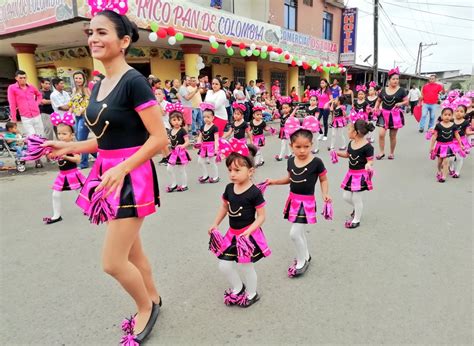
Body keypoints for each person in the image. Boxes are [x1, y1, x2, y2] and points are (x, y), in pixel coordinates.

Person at [46, 8, 167, 344]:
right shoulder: (101, 82)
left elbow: (159, 139)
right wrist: (69, 147)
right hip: (108, 173)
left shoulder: (134, 82)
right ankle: (154, 296)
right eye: (91, 32)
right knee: (133, 254)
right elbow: (106, 140)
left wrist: (122, 168)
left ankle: (145, 308)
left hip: (131, 176)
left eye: (102, 32)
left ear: (124, 41)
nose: (94, 39)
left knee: (113, 263)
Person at [208, 144, 269, 307]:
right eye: (230, 170)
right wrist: (215, 224)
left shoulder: (255, 192)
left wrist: (248, 232)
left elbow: (262, 216)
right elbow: (224, 207)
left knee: (246, 266)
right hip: (231, 234)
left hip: (247, 236)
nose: (232, 174)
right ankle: (238, 287)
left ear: (250, 171)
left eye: (237, 170)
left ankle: (252, 293)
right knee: (224, 265)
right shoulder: (229, 188)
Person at [267, 128, 331, 277]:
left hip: (306, 203)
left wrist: (325, 193)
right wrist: (274, 181)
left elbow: (323, 179)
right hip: (293, 200)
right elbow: (289, 178)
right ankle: (306, 255)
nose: (302, 150)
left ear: (311, 145)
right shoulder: (290, 160)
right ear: (291, 146)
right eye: (298, 147)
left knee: (294, 234)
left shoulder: (317, 162)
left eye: (306, 147)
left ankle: (301, 261)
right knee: (299, 232)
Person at [43, 114, 86, 224]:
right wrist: (47, 153)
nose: (61, 136)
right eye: (59, 134)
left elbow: (78, 160)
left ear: (72, 135)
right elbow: (52, 156)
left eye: (64, 134)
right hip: (62, 175)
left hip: (73, 174)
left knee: (80, 192)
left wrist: (65, 155)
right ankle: (56, 216)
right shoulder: (57, 145)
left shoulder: (73, 146)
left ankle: (87, 208)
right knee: (55, 194)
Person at [336, 120, 375, 229]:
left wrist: (368, 164)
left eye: (349, 130)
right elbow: (348, 155)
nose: (347, 132)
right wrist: (338, 153)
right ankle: (357, 208)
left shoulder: (368, 147)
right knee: (346, 196)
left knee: (357, 198)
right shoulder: (351, 143)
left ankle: (356, 220)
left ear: (356, 132)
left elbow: (370, 160)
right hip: (351, 174)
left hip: (361, 175)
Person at [8, 70, 45, 168]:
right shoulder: (12, 88)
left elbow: (39, 95)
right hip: (25, 116)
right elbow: (12, 104)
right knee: (32, 138)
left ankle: (42, 157)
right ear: (16, 78)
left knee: (40, 137)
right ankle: (37, 159)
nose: (23, 79)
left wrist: (37, 103)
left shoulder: (31, 86)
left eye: (24, 77)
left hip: (36, 115)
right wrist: (14, 119)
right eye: (21, 78)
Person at [374, 67, 408, 160]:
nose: (396, 81)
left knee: (392, 136)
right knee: (381, 134)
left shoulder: (401, 90)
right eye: (393, 79)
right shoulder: (383, 90)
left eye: (397, 79)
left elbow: (407, 102)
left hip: (395, 115)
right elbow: (379, 100)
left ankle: (392, 153)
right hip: (384, 114)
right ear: (389, 80)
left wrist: (400, 103)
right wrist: (376, 107)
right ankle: (381, 152)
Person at [430, 106, 463, 183]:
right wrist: (431, 146)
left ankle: (444, 176)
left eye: (449, 115)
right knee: (439, 162)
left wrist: (460, 144)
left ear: (452, 116)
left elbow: (457, 135)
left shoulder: (453, 125)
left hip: (449, 146)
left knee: (446, 162)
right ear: (441, 116)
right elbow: (435, 136)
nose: (447, 116)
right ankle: (439, 171)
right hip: (440, 146)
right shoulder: (438, 125)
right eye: (445, 115)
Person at [69, 71, 93, 169]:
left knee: (81, 140)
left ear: (84, 79)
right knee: (80, 139)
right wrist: (70, 111)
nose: (78, 80)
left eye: (80, 78)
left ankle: (84, 163)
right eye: (76, 78)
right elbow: (72, 102)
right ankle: (96, 155)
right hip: (77, 116)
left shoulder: (87, 90)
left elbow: (91, 102)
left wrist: (82, 110)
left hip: (85, 116)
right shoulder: (74, 90)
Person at [165, 106, 191, 192]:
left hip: (181, 153)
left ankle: (184, 185)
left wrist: (183, 146)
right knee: (169, 168)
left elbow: (187, 141)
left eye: (179, 120)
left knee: (181, 170)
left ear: (182, 121)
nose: (176, 122)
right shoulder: (170, 131)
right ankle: (174, 184)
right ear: (170, 121)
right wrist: (167, 142)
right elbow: (170, 140)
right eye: (174, 120)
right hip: (173, 153)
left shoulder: (182, 131)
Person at [196, 103, 220, 183]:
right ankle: (205, 175)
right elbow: (200, 136)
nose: (206, 119)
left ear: (213, 117)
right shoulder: (203, 126)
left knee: (212, 162)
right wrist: (198, 142)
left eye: (208, 117)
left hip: (211, 146)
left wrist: (216, 148)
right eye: (204, 117)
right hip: (203, 146)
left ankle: (216, 176)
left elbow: (216, 139)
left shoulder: (214, 127)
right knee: (200, 161)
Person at [450, 102, 472, 178]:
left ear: (465, 113)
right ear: (455, 111)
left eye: (461, 111)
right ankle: (451, 168)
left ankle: (457, 172)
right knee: (451, 158)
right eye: (457, 111)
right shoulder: (451, 120)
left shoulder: (466, 122)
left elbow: (467, 132)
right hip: (451, 141)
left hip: (461, 142)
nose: (459, 113)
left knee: (459, 158)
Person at [275, 97, 296, 161]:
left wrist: (295, 109)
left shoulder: (289, 116)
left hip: (287, 131)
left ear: (290, 108)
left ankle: (280, 156)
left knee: (283, 143)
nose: (284, 109)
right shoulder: (282, 115)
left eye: (286, 108)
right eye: (283, 108)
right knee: (287, 143)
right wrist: (275, 112)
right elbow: (276, 116)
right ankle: (290, 154)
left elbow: (292, 115)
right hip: (282, 131)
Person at [154, 88, 171, 165]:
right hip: (157, 125)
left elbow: (163, 113)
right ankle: (164, 157)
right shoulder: (153, 104)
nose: (157, 95)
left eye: (159, 94)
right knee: (160, 144)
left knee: (164, 143)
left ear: (163, 95)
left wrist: (158, 104)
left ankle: (169, 157)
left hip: (165, 125)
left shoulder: (167, 103)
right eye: (156, 94)